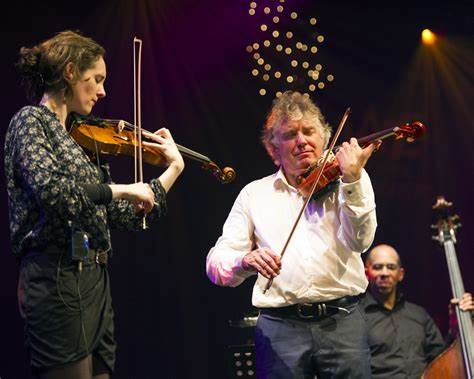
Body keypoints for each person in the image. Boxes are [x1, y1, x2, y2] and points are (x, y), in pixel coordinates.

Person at [4, 30, 184, 379]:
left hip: (95, 279)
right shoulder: (30, 121)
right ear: (70, 72)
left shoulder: (78, 141)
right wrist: (123, 190)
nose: (102, 91)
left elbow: (126, 214)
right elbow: (54, 193)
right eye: (96, 79)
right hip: (56, 275)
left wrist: (173, 169)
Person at [206, 91, 379, 378]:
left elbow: (361, 241)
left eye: (309, 131)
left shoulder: (348, 179)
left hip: (343, 321)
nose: (302, 141)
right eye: (290, 134)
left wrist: (352, 180)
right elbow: (216, 263)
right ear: (273, 150)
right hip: (279, 327)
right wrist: (244, 261)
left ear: (324, 138)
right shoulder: (254, 194)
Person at [362, 244, 474, 378]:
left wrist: (455, 328)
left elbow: (439, 357)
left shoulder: (419, 315)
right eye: (377, 267)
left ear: (400, 274)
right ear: (366, 273)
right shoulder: (358, 317)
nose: (384, 273)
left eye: (391, 267)